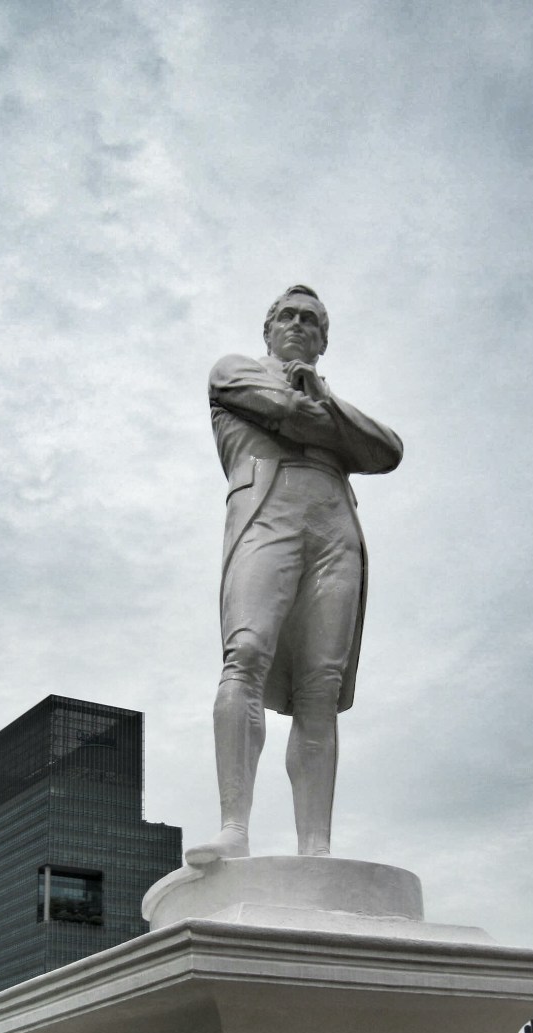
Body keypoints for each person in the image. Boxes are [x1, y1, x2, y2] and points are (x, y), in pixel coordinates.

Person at [186, 285, 403, 865]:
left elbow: (387, 450)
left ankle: (316, 848)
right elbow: (290, 416)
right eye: (288, 315)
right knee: (246, 653)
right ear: (269, 329)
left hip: (335, 528)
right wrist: (331, 427)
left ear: (323, 340)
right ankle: (234, 828)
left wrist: (324, 401)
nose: (299, 324)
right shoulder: (233, 370)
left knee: (321, 684)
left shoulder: (325, 395)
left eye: (311, 320)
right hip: (267, 509)